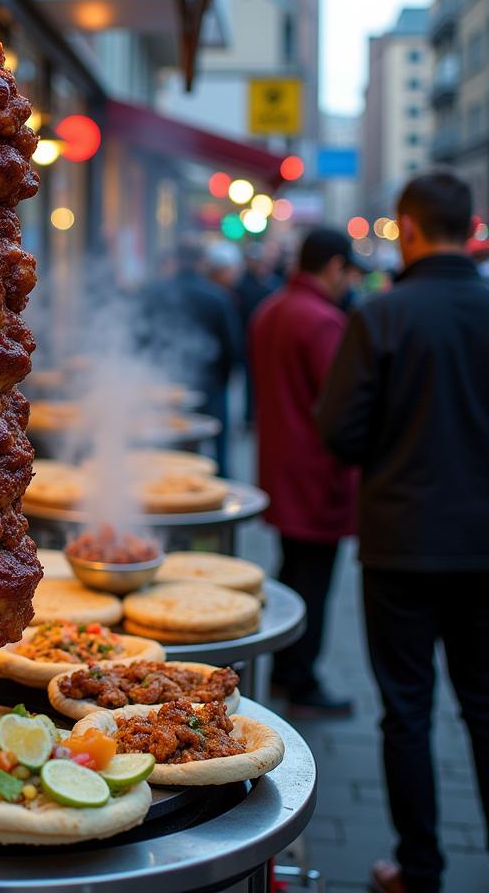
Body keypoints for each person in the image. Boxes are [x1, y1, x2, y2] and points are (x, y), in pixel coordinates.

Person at [316, 173, 489, 893]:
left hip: (401, 538)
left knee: (407, 710)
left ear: (408, 229)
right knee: (484, 705)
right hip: (483, 542)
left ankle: (420, 867)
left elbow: (339, 430)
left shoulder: (383, 316)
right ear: (471, 227)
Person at [250, 227, 363, 716]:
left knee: (293, 573)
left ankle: (282, 671)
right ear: (335, 266)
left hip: (280, 465)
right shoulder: (323, 321)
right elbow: (342, 408)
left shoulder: (272, 309)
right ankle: (301, 681)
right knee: (313, 580)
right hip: (319, 474)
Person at [138, 237, 240, 474]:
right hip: (209, 386)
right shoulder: (217, 297)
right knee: (216, 448)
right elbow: (232, 348)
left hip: (162, 384)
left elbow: (139, 339)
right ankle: (217, 486)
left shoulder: (153, 293)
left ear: (175, 260)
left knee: (163, 450)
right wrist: (221, 382)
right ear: (202, 262)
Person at [236, 243, 279, 425]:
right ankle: (250, 415)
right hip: (248, 339)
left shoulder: (272, 283)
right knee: (250, 381)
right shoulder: (241, 285)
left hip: (265, 340)